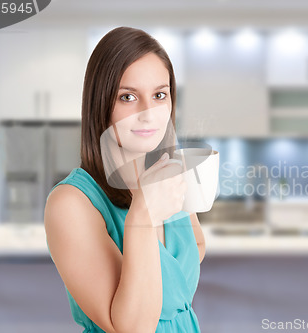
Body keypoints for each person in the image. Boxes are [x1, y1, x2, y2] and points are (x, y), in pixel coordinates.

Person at [44, 26, 206, 333]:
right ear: (101, 104)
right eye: (128, 97)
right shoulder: (70, 204)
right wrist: (141, 216)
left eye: (159, 94)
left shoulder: (168, 175)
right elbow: (133, 328)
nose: (148, 113)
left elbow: (195, 245)